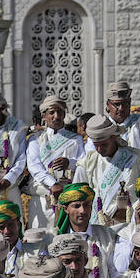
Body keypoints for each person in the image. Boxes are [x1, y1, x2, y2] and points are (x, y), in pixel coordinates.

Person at [23, 95, 86, 230]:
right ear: (44, 116)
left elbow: (84, 163)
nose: (56, 116)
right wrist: (53, 184)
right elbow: (34, 167)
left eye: (60, 112)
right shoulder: (36, 139)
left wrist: (70, 162)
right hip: (42, 199)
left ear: (64, 114)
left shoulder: (76, 139)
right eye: (51, 112)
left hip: (69, 199)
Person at [73, 114, 140, 227]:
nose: (100, 149)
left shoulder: (135, 158)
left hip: (129, 223)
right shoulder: (88, 162)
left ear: (114, 138)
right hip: (98, 223)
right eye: (96, 145)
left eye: (104, 144)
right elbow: (78, 196)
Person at [103, 81, 140, 151]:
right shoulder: (101, 127)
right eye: (117, 104)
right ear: (108, 105)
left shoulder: (139, 124)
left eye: (125, 103)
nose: (121, 109)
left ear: (130, 103)